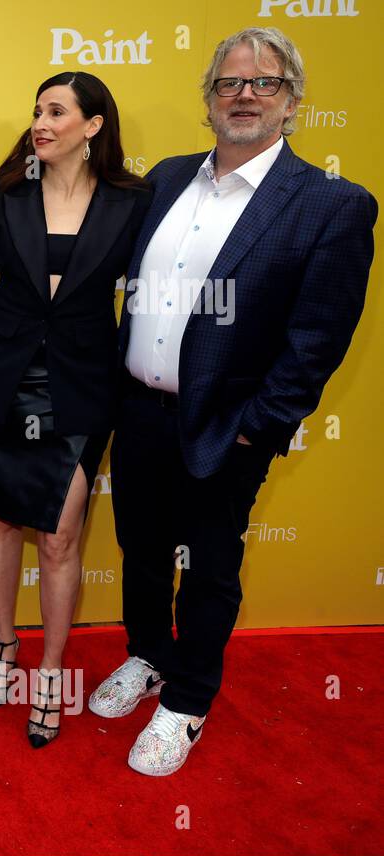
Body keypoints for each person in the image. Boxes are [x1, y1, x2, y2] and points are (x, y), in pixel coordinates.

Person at [90, 27, 376, 775]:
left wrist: (259, 428)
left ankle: (187, 701)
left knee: (210, 567)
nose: (245, 94)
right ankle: (148, 655)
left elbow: (318, 339)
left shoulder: (330, 204)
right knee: (142, 550)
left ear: (292, 101)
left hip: (226, 428)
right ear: (210, 98)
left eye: (264, 82)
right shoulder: (166, 180)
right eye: (229, 82)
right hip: (138, 412)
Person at [0, 72, 152, 745]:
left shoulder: (133, 202)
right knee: (2, 521)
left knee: (61, 536)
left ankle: (50, 671)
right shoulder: (5, 192)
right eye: (37, 110)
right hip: (1, 377)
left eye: (57, 112)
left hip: (80, 386)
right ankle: (6, 644)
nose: (41, 122)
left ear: (93, 126)